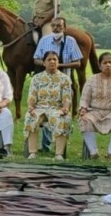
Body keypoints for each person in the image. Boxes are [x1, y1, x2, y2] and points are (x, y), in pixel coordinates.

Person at [32, 16, 82, 151]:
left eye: (59, 26)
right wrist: (47, 64)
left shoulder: (70, 41)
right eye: (53, 26)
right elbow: (36, 58)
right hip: (46, 82)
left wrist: (60, 65)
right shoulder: (44, 40)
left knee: (63, 113)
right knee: (44, 108)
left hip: (64, 82)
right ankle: (46, 145)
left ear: (64, 28)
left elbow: (78, 63)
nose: (56, 28)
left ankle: (61, 147)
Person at [78, 52, 111, 161]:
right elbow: (84, 99)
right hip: (95, 112)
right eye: (105, 63)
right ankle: (93, 153)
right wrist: (83, 109)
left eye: (110, 62)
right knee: (84, 120)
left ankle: (110, 153)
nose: (108, 65)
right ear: (100, 65)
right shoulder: (92, 80)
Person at [24, 51, 72, 161]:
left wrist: (64, 109)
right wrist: (31, 107)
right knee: (31, 117)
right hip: (40, 108)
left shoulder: (64, 79)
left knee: (63, 119)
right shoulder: (37, 78)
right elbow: (32, 95)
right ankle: (32, 152)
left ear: (58, 62)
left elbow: (67, 97)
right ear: (44, 63)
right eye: (49, 59)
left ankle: (58, 154)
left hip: (57, 109)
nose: (52, 62)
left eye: (55, 59)